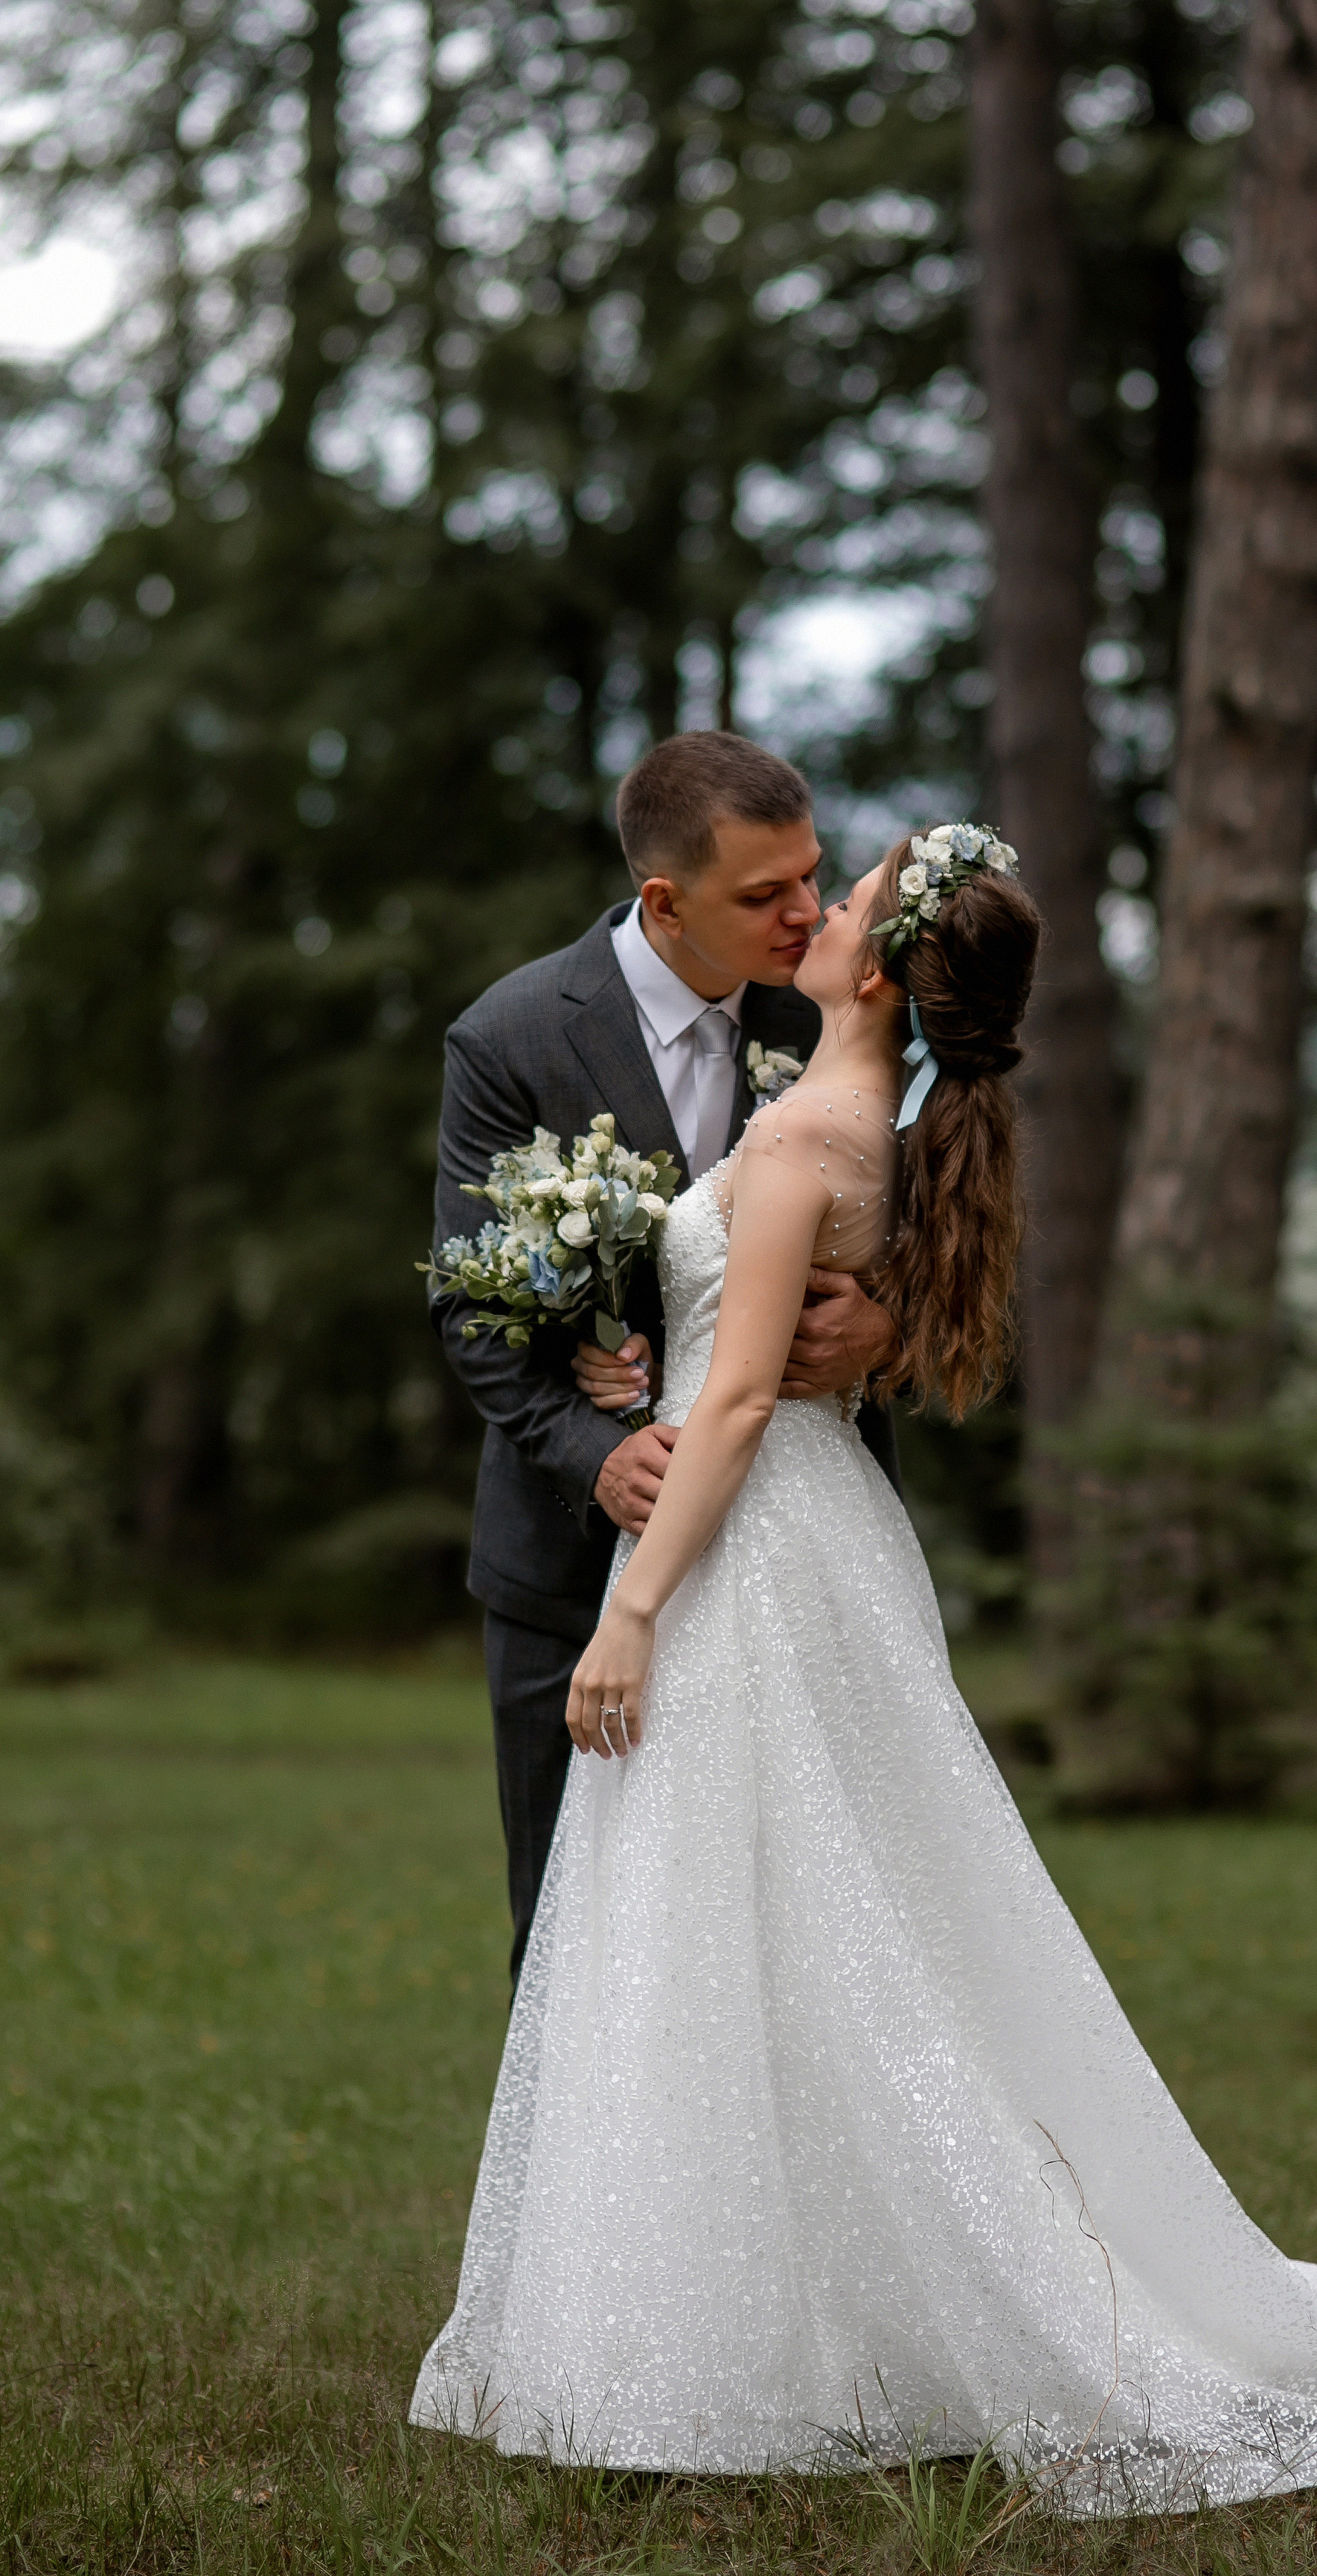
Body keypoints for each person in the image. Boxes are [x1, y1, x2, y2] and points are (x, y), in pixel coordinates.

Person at [412, 827, 1317, 2516]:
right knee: (763, 1932)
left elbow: (737, 1401)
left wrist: (633, 1611)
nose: (814, 917)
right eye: (795, 892)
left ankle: (767, 2337)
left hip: (749, 1549)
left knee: (776, 1929)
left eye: (848, 905)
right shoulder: (861, 1116)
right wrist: (612, 1354)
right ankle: (750, 2316)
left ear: (878, 973)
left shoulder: (815, 1122)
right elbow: (707, 1336)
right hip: (793, 1540)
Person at [431, 732, 897, 1976]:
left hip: (795, 1551)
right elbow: (474, 1313)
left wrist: (886, 1319)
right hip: (567, 1563)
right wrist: (596, 1455)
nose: (807, 913)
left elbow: (948, 1222)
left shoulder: (838, 1008)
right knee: (577, 1943)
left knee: (814, 1931)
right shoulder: (512, 1037)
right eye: (765, 895)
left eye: (813, 876)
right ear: (663, 901)